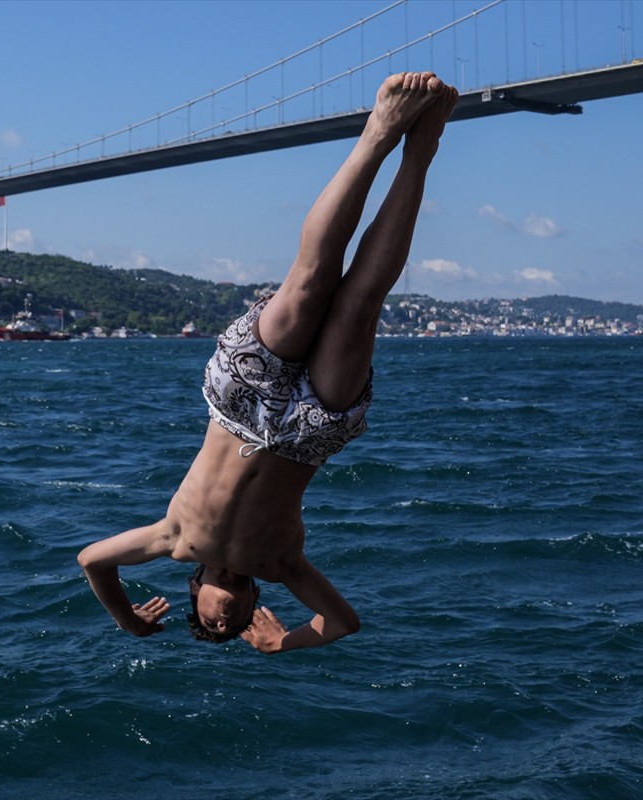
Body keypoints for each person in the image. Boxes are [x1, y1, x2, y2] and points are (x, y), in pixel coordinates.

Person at [78, 72, 460, 654]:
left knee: (309, 283)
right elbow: (342, 622)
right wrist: (282, 643)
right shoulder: (281, 565)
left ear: (194, 591)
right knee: (359, 305)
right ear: (258, 601)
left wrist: (127, 619)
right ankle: (422, 149)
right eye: (233, 629)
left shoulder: (173, 539)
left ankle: (379, 132)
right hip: (309, 433)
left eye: (210, 624)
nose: (224, 623)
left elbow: (92, 561)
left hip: (239, 403)